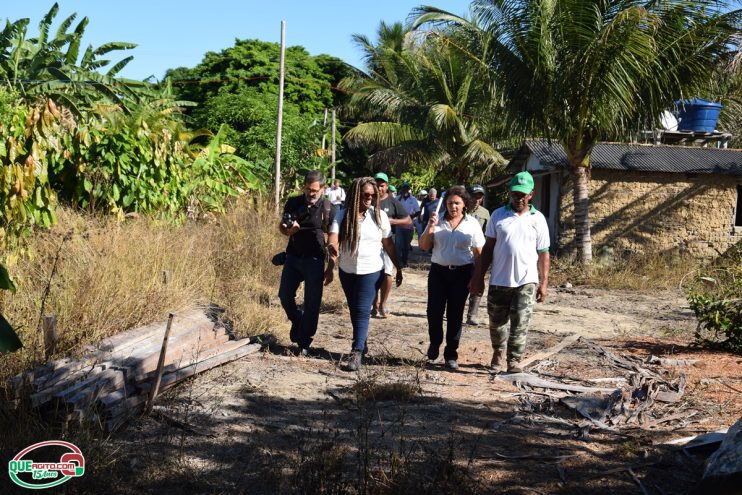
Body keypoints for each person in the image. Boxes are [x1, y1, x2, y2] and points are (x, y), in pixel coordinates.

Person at [470, 171, 550, 373]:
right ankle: (498, 351)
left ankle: (513, 360)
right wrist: (478, 277)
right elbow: (488, 249)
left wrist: (544, 282)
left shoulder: (538, 219)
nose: (518, 199)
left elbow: (543, 254)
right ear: (510, 193)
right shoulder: (498, 215)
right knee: (497, 323)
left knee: (520, 323)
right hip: (499, 279)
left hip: (526, 280)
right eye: (515, 194)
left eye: (522, 195)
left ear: (531, 194)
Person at [327, 177, 403, 371]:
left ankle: (356, 352)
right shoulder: (342, 215)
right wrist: (331, 251)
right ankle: (362, 341)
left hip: (372, 270)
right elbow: (334, 237)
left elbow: (388, 244)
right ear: (355, 195)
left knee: (362, 309)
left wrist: (398, 267)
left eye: (372, 195)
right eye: (365, 195)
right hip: (348, 270)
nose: (369, 198)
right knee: (355, 309)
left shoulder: (379, 217)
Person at [419, 185, 485, 370]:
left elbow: (479, 254)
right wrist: (430, 227)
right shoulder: (437, 220)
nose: (453, 206)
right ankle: (435, 342)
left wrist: (477, 277)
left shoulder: (472, 224)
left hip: (462, 273)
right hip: (438, 272)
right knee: (434, 311)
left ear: (464, 204)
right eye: (450, 203)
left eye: (457, 203)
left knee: (455, 314)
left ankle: (451, 354)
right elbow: (424, 246)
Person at [278, 170, 337, 356]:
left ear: (323, 188)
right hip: (293, 257)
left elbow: (333, 237)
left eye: (314, 190)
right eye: (308, 189)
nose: (311, 193)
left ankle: (304, 342)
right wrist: (289, 231)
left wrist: (331, 265)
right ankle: (297, 319)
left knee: (312, 302)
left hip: (315, 259)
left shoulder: (328, 208)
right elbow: (282, 226)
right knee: (285, 296)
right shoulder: (294, 202)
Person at [371, 172, 412, 318]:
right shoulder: (368, 199)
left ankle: (383, 303)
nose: (379, 188)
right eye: (376, 185)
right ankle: (374, 303)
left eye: (382, 185)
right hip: (371, 242)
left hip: (388, 240)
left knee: (387, 272)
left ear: (387, 186)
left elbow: (408, 220)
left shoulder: (392, 201)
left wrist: (391, 221)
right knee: (373, 272)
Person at [466, 184, 490, 326]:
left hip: (477, 254)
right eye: (474, 196)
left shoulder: (485, 214)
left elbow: (488, 236)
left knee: (477, 282)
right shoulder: (462, 210)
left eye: (479, 197)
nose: (476, 199)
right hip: (461, 254)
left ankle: (472, 315)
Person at [395, 182, 420, 267]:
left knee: (406, 245)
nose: (405, 190)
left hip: (408, 226)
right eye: (403, 188)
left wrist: (410, 217)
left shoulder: (413, 199)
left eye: (406, 188)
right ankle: (398, 262)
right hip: (398, 225)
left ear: (408, 189)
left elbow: (418, 211)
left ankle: (404, 261)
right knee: (398, 244)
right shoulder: (397, 198)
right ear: (401, 189)